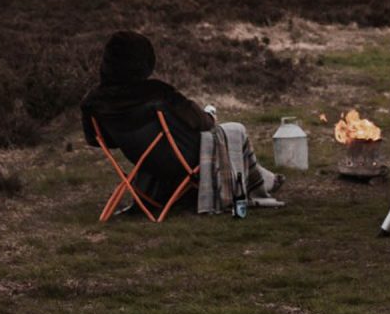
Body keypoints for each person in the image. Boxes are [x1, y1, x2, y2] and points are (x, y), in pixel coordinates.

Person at [81, 30, 280, 214]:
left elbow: (97, 140)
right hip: (184, 157)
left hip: (146, 159)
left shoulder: (93, 101)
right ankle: (261, 183)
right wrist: (210, 113)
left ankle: (267, 179)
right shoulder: (157, 93)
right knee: (235, 130)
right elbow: (203, 123)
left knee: (223, 134)